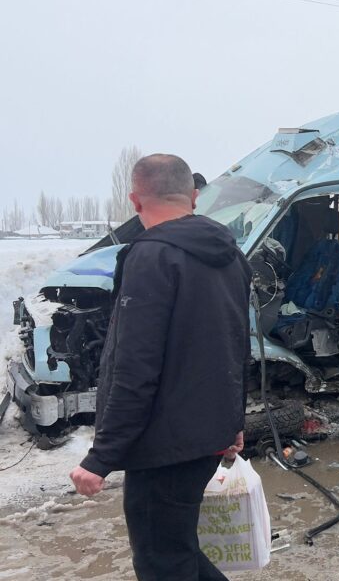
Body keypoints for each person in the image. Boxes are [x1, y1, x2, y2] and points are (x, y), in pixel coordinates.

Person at [69, 154, 250, 580]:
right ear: (194, 197)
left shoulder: (150, 257)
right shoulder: (231, 256)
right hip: (205, 437)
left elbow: (134, 366)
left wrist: (101, 457)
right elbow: (235, 346)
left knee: (161, 561)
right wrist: (232, 423)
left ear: (135, 201)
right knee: (176, 551)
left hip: (165, 447)